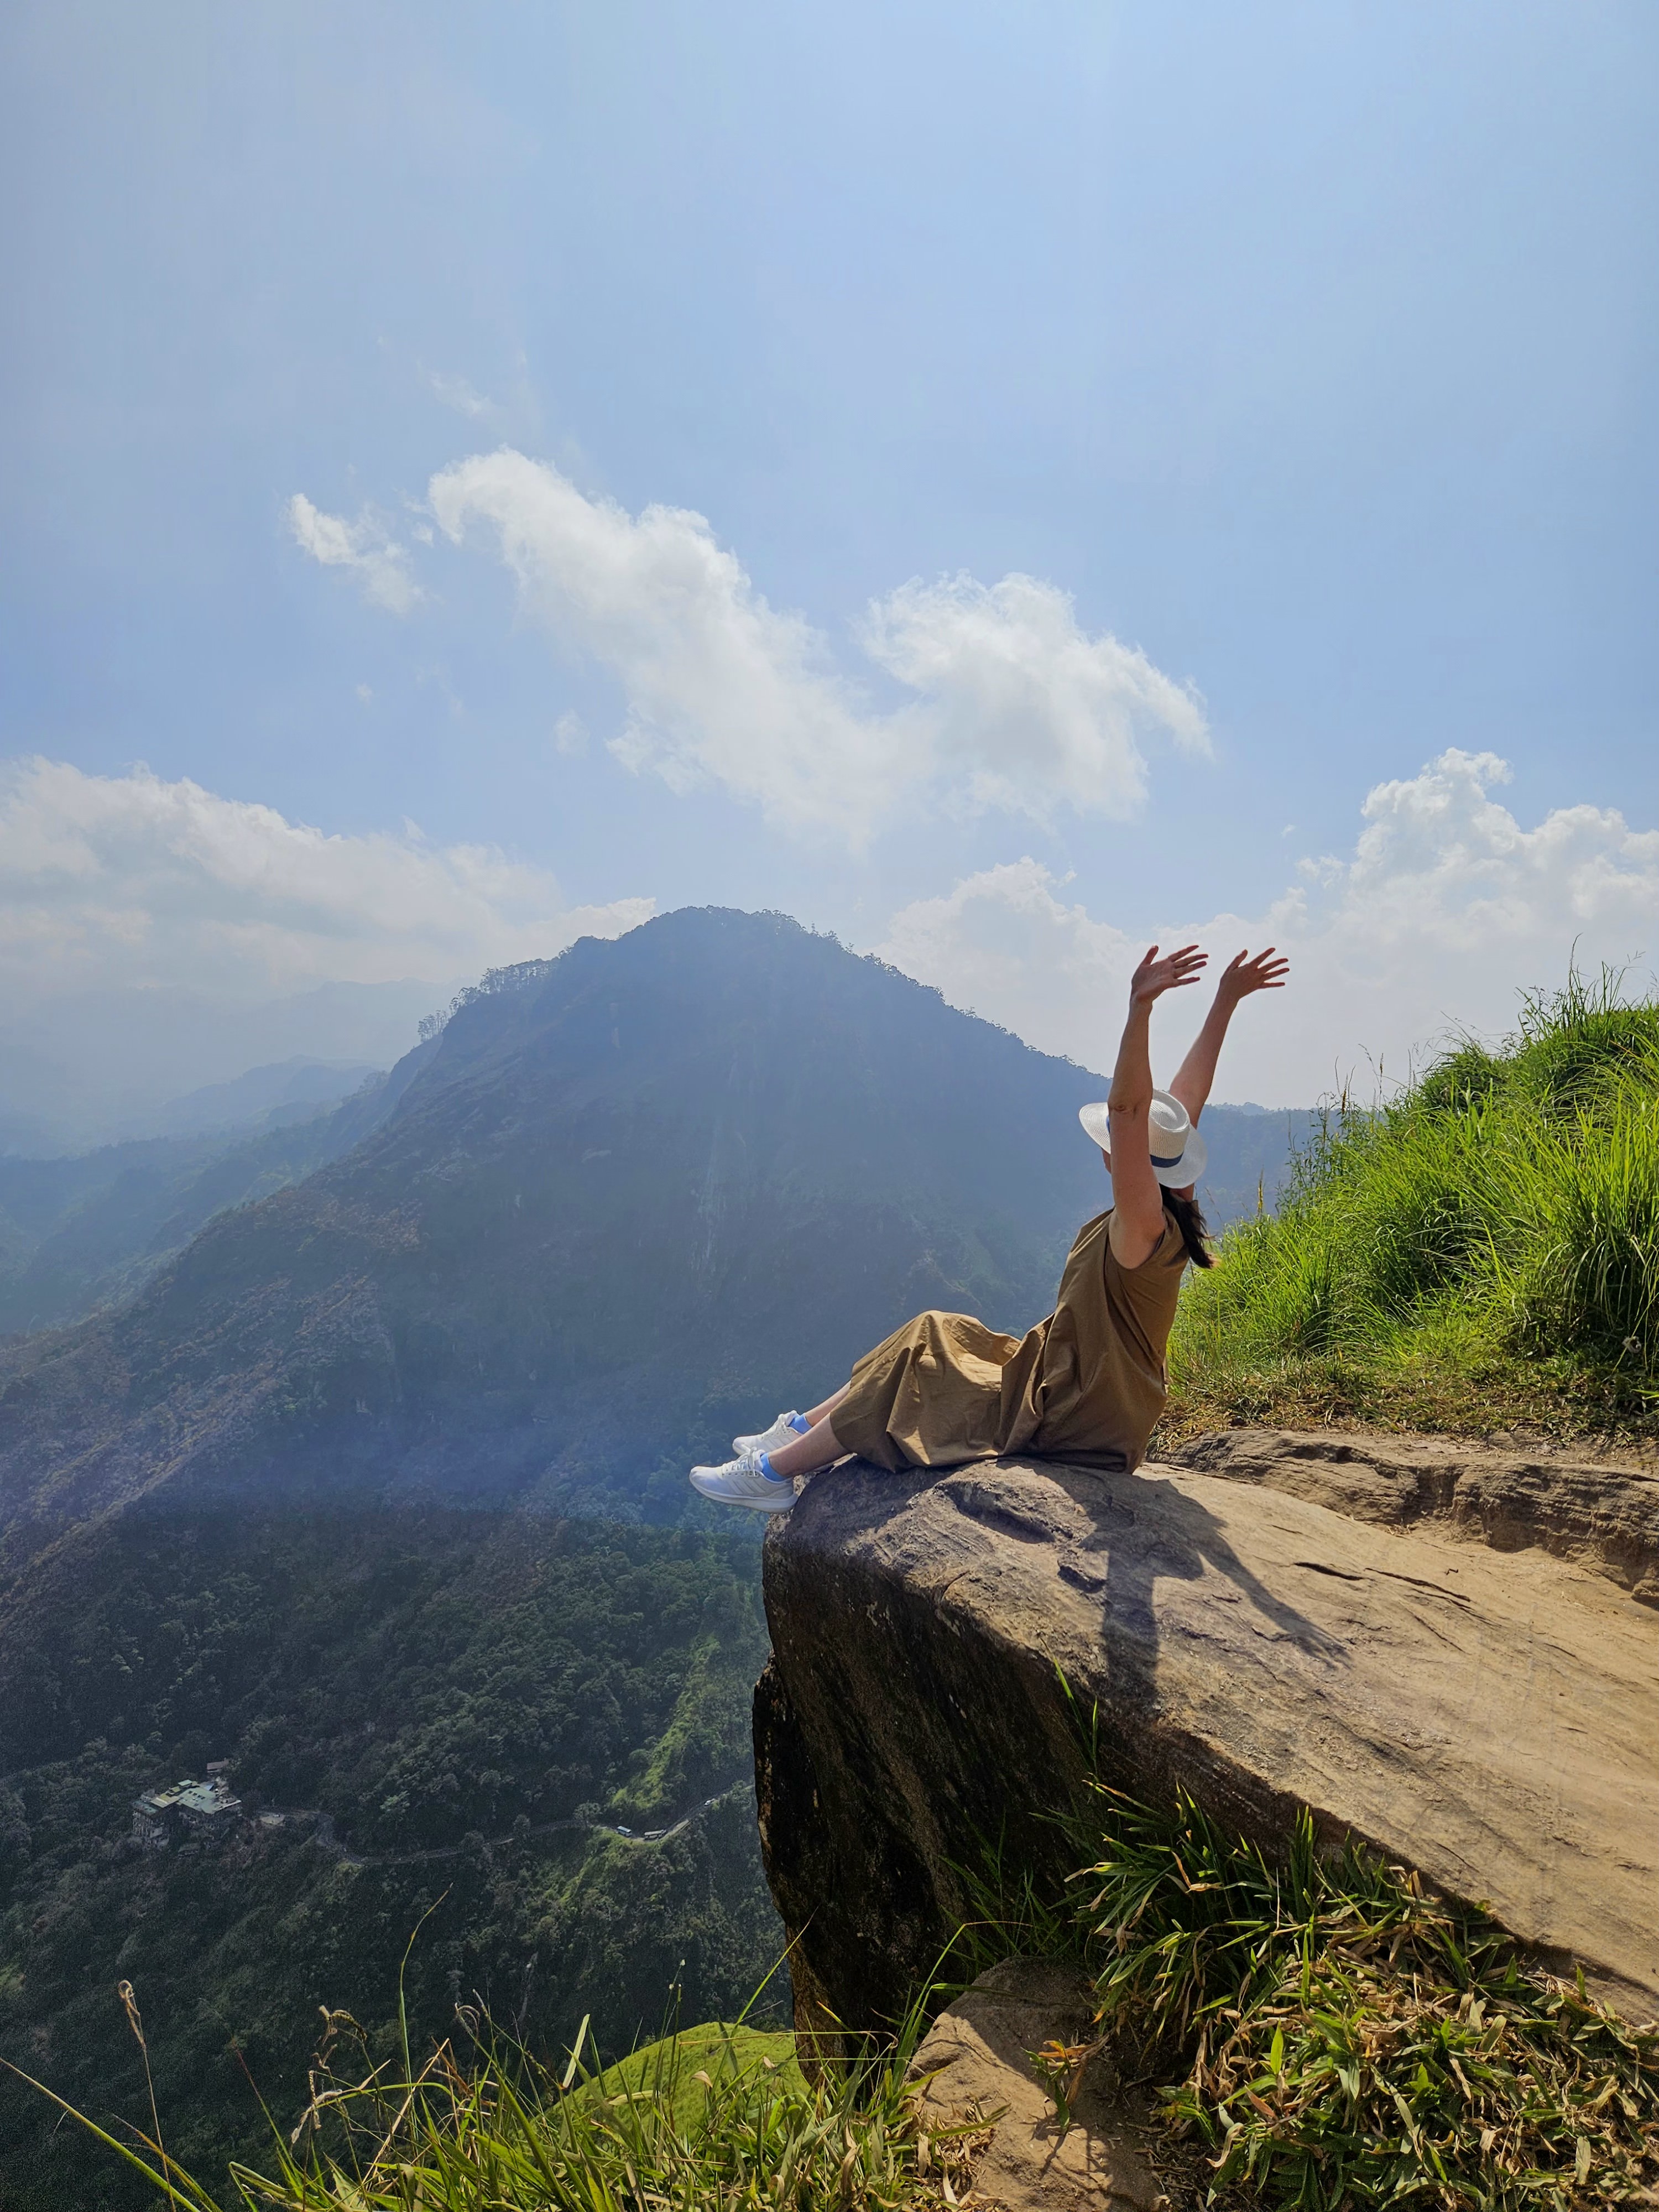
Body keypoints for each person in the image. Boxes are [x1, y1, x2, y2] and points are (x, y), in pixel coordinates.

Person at [688, 942, 1288, 1513]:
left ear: (1132, 1156)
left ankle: (776, 1474)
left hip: (1079, 1410)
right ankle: (795, 1431)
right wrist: (1224, 1003)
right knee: (936, 1328)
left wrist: (1140, 1009)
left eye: (1119, 1143)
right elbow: (1178, 1108)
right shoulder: (1170, 1204)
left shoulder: (1142, 1225)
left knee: (917, 1375)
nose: (1111, 1145)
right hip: (1071, 1377)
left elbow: (1132, 1113)